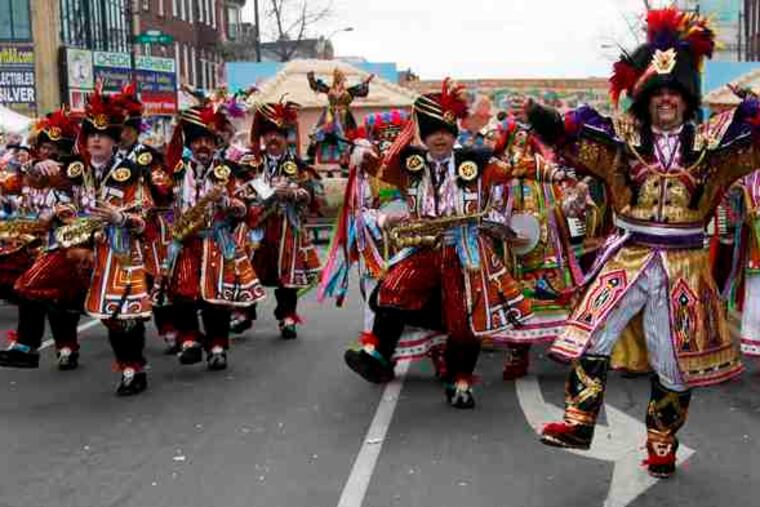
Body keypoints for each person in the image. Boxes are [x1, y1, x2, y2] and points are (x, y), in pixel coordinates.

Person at [512, 7, 760, 478]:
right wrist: (542, 118)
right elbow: (573, 135)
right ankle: (579, 421)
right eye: (657, 94)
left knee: (671, 361)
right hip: (628, 256)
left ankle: (662, 444)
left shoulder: (713, 144)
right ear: (644, 101)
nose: (665, 101)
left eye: (674, 93)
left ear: (687, 100)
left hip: (684, 266)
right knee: (593, 334)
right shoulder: (622, 139)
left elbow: (755, 138)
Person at [343, 79, 532, 409]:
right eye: (431, 132)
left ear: (454, 131)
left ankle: (460, 381)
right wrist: (362, 151)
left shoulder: (476, 163)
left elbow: (514, 169)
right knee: (392, 288)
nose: (440, 137)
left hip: (465, 250)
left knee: (464, 319)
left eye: (445, 130)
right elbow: (380, 167)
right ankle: (377, 354)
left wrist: (554, 171)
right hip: (425, 247)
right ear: (423, 136)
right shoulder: (412, 167)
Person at [17, 87, 154, 395]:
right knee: (33, 286)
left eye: (103, 135)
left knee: (121, 318)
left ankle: (132, 368)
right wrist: (38, 168)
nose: (96, 140)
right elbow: (46, 187)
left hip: (118, 251)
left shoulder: (131, 171)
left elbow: (144, 217)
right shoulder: (75, 169)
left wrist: (121, 218)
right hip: (77, 247)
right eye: (91, 133)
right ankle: (29, 346)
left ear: (115, 140)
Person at [318, 109, 448, 377]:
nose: (389, 143)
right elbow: (357, 212)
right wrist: (383, 220)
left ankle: (441, 357)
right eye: (383, 137)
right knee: (379, 303)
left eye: (395, 136)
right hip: (380, 249)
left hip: (421, 246)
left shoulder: (419, 166)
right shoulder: (366, 172)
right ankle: (379, 357)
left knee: (426, 301)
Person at [158, 103, 264, 370]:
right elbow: (160, 198)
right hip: (185, 242)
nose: (203, 146)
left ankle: (217, 346)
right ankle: (191, 341)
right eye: (197, 141)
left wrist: (232, 205)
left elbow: (251, 202)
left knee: (215, 301)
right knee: (182, 294)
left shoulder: (229, 170)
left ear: (216, 143)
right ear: (190, 144)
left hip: (217, 242)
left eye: (208, 140)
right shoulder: (177, 170)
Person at [0, 108, 85, 371]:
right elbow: (9, 182)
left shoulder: (70, 173)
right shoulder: (30, 172)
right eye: (44, 146)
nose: (48, 152)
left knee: (51, 299)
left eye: (54, 148)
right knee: (40, 295)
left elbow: (72, 187)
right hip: (32, 247)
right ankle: (41, 347)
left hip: (66, 246)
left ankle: (53, 347)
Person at [239, 100, 323, 339]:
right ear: (263, 138)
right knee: (248, 269)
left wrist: (294, 193)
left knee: (287, 275)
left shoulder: (297, 165)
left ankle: (287, 317)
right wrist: (262, 192)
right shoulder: (251, 162)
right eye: (269, 135)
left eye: (278, 134)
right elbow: (241, 188)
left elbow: (310, 194)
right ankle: (244, 313)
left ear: (287, 138)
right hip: (257, 226)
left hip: (287, 226)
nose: (273, 139)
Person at [114, 83, 178, 353]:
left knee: (155, 278)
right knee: (123, 279)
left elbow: (165, 190)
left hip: (149, 229)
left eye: (125, 128)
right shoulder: (106, 159)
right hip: (117, 231)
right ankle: (127, 331)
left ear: (135, 130)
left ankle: (169, 329)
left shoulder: (148, 156)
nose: (121, 134)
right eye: (117, 129)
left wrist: (146, 177)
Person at [306, 68, 373, 163]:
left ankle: (345, 160)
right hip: (330, 114)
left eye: (343, 79)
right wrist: (311, 79)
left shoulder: (349, 91)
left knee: (345, 136)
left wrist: (366, 83)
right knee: (318, 133)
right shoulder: (329, 89)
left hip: (344, 115)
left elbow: (362, 92)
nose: (343, 81)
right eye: (341, 79)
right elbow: (316, 86)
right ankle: (311, 156)